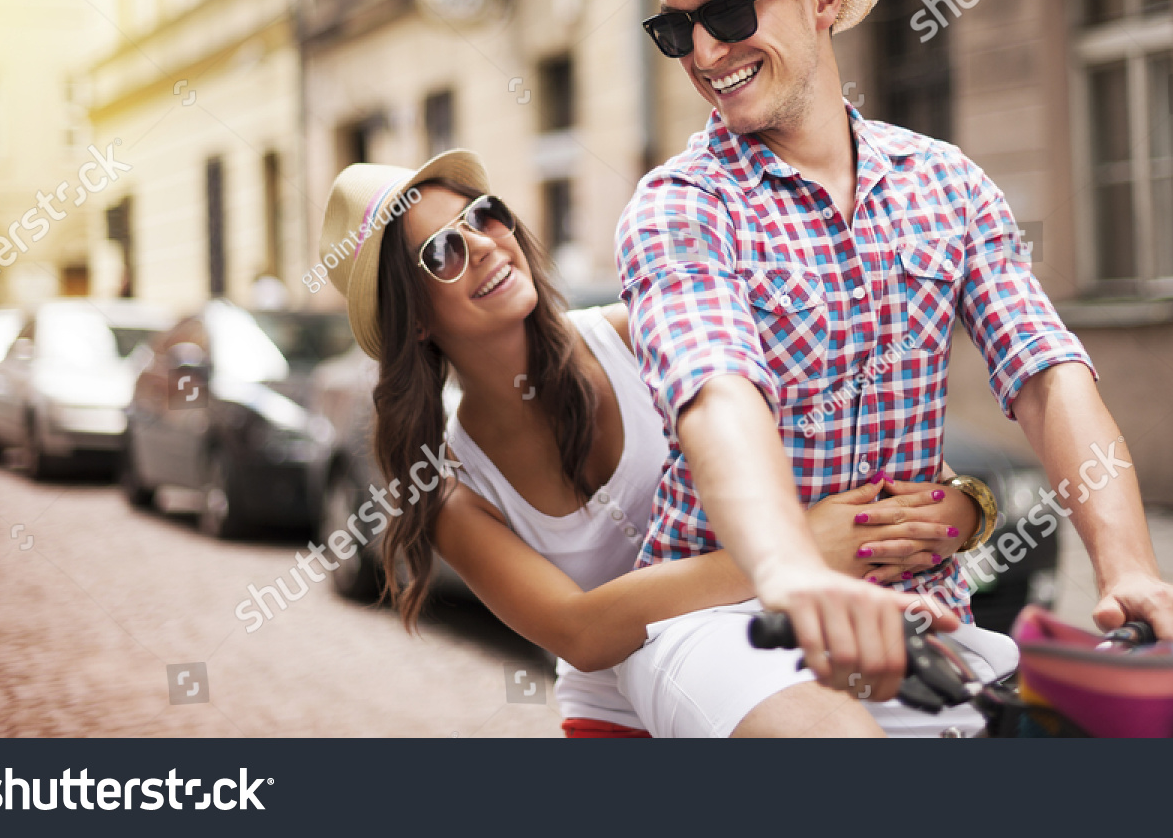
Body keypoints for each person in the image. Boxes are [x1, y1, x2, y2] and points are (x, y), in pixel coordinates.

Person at [609, 0, 1173, 736]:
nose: (701, 50)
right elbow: (717, 400)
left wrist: (1128, 569)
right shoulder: (678, 207)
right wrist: (794, 574)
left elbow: (1047, 374)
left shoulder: (948, 183)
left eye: (729, 13)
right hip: (723, 618)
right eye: (673, 26)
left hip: (926, 616)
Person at [318, 153, 994, 737]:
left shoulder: (643, 331)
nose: (487, 244)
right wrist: (792, 550)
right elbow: (581, 632)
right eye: (441, 251)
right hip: (626, 710)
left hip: (788, 642)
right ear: (413, 323)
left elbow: (848, 435)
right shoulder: (453, 489)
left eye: (484, 215)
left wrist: (963, 508)